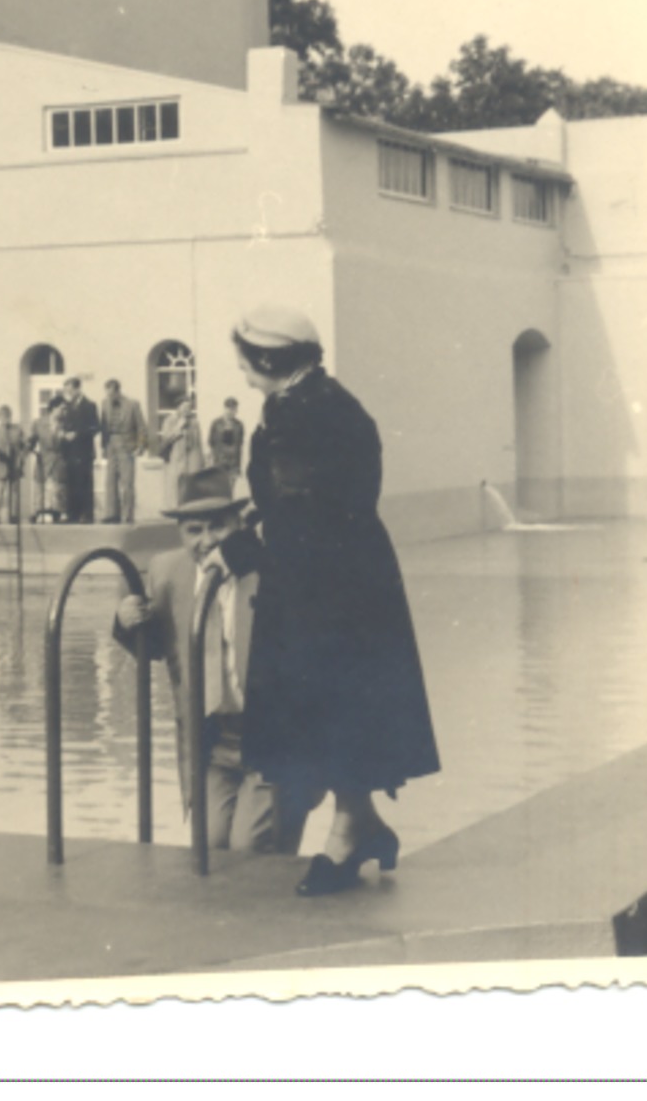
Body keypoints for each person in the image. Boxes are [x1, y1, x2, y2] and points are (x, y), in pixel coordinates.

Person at [209, 303, 441, 897]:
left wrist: (237, 550)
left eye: (245, 363)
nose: (242, 375)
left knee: (327, 711)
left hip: (323, 588)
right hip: (350, 579)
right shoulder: (325, 402)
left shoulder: (296, 416)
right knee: (343, 714)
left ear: (268, 360)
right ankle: (360, 824)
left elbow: (299, 510)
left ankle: (346, 837)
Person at [113, 468, 314, 853]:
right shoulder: (169, 571)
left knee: (249, 849)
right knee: (211, 846)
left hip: (270, 739)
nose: (207, 542)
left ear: (239, 524)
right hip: (213, 743)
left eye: (218, 527)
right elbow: (159, 647)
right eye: (194, 530)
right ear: (180, 534)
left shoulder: (270, 568)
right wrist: (127, 619)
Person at [100, 379, 148, 523]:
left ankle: (128, 515)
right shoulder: (104, 404)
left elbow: (141, 427)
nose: (109, 396)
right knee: (110, 482)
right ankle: (112, 514)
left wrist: (140, 446)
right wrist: (103, 447)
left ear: (117, 391)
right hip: (111, 445)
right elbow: (103, 427)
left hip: (126, 445)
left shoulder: (132, 404)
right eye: (107, 393)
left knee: (127, 483)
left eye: (111, 392)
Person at [56, 376, 99, 523]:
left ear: (77, 388)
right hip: (69, 451)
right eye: (66, 390)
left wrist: (77, 434)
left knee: (84, 483)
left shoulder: (89, 406)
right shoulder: (67, 407)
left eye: (70, 390)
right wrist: (62, 433)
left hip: (83, 451)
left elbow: (95, 428)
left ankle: (86, 514)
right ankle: (72, 513)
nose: (68, 393)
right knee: (71, 483)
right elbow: (61, 424)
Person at [159, 391, 205, 509]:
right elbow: (166, 438)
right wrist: (179, 425)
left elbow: (198, 442)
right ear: (178, 407)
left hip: (192, 456)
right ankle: (176, 508)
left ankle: (190, 508)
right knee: (176, 483)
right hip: (176, 456)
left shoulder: (194, 422)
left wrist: (201, 459)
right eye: (184, 407)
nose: (187, 410)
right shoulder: (170, 420)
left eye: (189, 407)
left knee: (191, 483)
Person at [27, 396, 66, 520]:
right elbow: (32, 440)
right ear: (54, 408)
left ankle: (58, 511)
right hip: (43, 458)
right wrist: (29, 448)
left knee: (58, 487)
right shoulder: (39, 423)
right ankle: (37, 511)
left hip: (59, 458)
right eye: (62, 409)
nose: (64, 412)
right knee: (39, 485)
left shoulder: (66, 423)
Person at [0, 404, 25, 524]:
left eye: (7, 416)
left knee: (14, 491)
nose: (5, 419)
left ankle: (13, 515)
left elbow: (23, 446)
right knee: (0, 490)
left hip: (14, 464)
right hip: (2, 464)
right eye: (2, 417)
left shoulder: (17, 430)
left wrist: (21, 459)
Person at [208, 396, 245, 478]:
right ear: (224, 408)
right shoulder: (216, 423)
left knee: (231, 488)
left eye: (234, 409)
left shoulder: (239, 425)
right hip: (219, 461)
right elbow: (211, 441)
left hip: (233, 463)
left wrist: (238, 466)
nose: (232, 412)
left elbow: (240, 444)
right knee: (220, 487)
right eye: (229, 409)